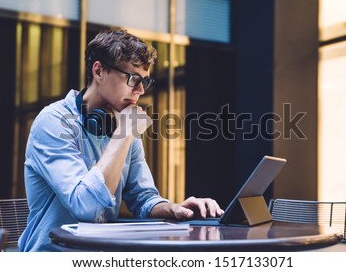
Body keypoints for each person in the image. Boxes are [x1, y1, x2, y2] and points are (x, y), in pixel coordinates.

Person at [18, 30, 223, 251]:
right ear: (98, 70)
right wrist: (124, 133)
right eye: (133, 79)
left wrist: (173, 209)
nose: (141, 90)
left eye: (144, 81)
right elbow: (87, 207)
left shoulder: (123, 128)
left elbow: (143, 198)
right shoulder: (54, 122)